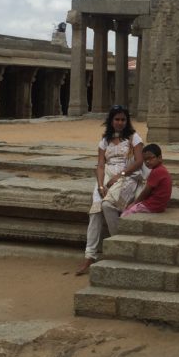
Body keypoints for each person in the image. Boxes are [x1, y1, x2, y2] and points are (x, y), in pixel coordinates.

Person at [76, 105, 144, 275]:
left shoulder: (133, 138)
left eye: (123, 119)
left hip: (127, 175)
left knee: (108, 205)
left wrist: (120, 175)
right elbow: (100, 165)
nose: (120, 122)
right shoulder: (104, 141)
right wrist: (100, 185)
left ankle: (115, 246)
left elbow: (139, 161)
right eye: (116, 119)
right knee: (95, 210)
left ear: (127, 121)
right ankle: (90, 255)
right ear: (111, 121)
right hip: (106, 176)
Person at [121, 143, 173, 217]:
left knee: (126, 213)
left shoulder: (157, 171)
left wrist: (135, 203)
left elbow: (146, 191)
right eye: (145, 160)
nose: (147, 161)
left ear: (159, 158)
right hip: (159, 205)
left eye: (151, 158)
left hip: (153, 205)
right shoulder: (161, 169)